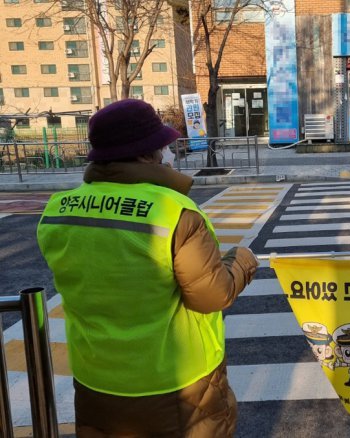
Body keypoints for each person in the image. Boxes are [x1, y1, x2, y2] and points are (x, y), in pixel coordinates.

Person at [36, 99, 259, 437]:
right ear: (145, 153)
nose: (168, 153)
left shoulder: (58, 209)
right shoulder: (175, 212)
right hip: (178, 383)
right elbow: (211, 296)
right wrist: (242, 260)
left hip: (95, 379)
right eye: (163, 145)